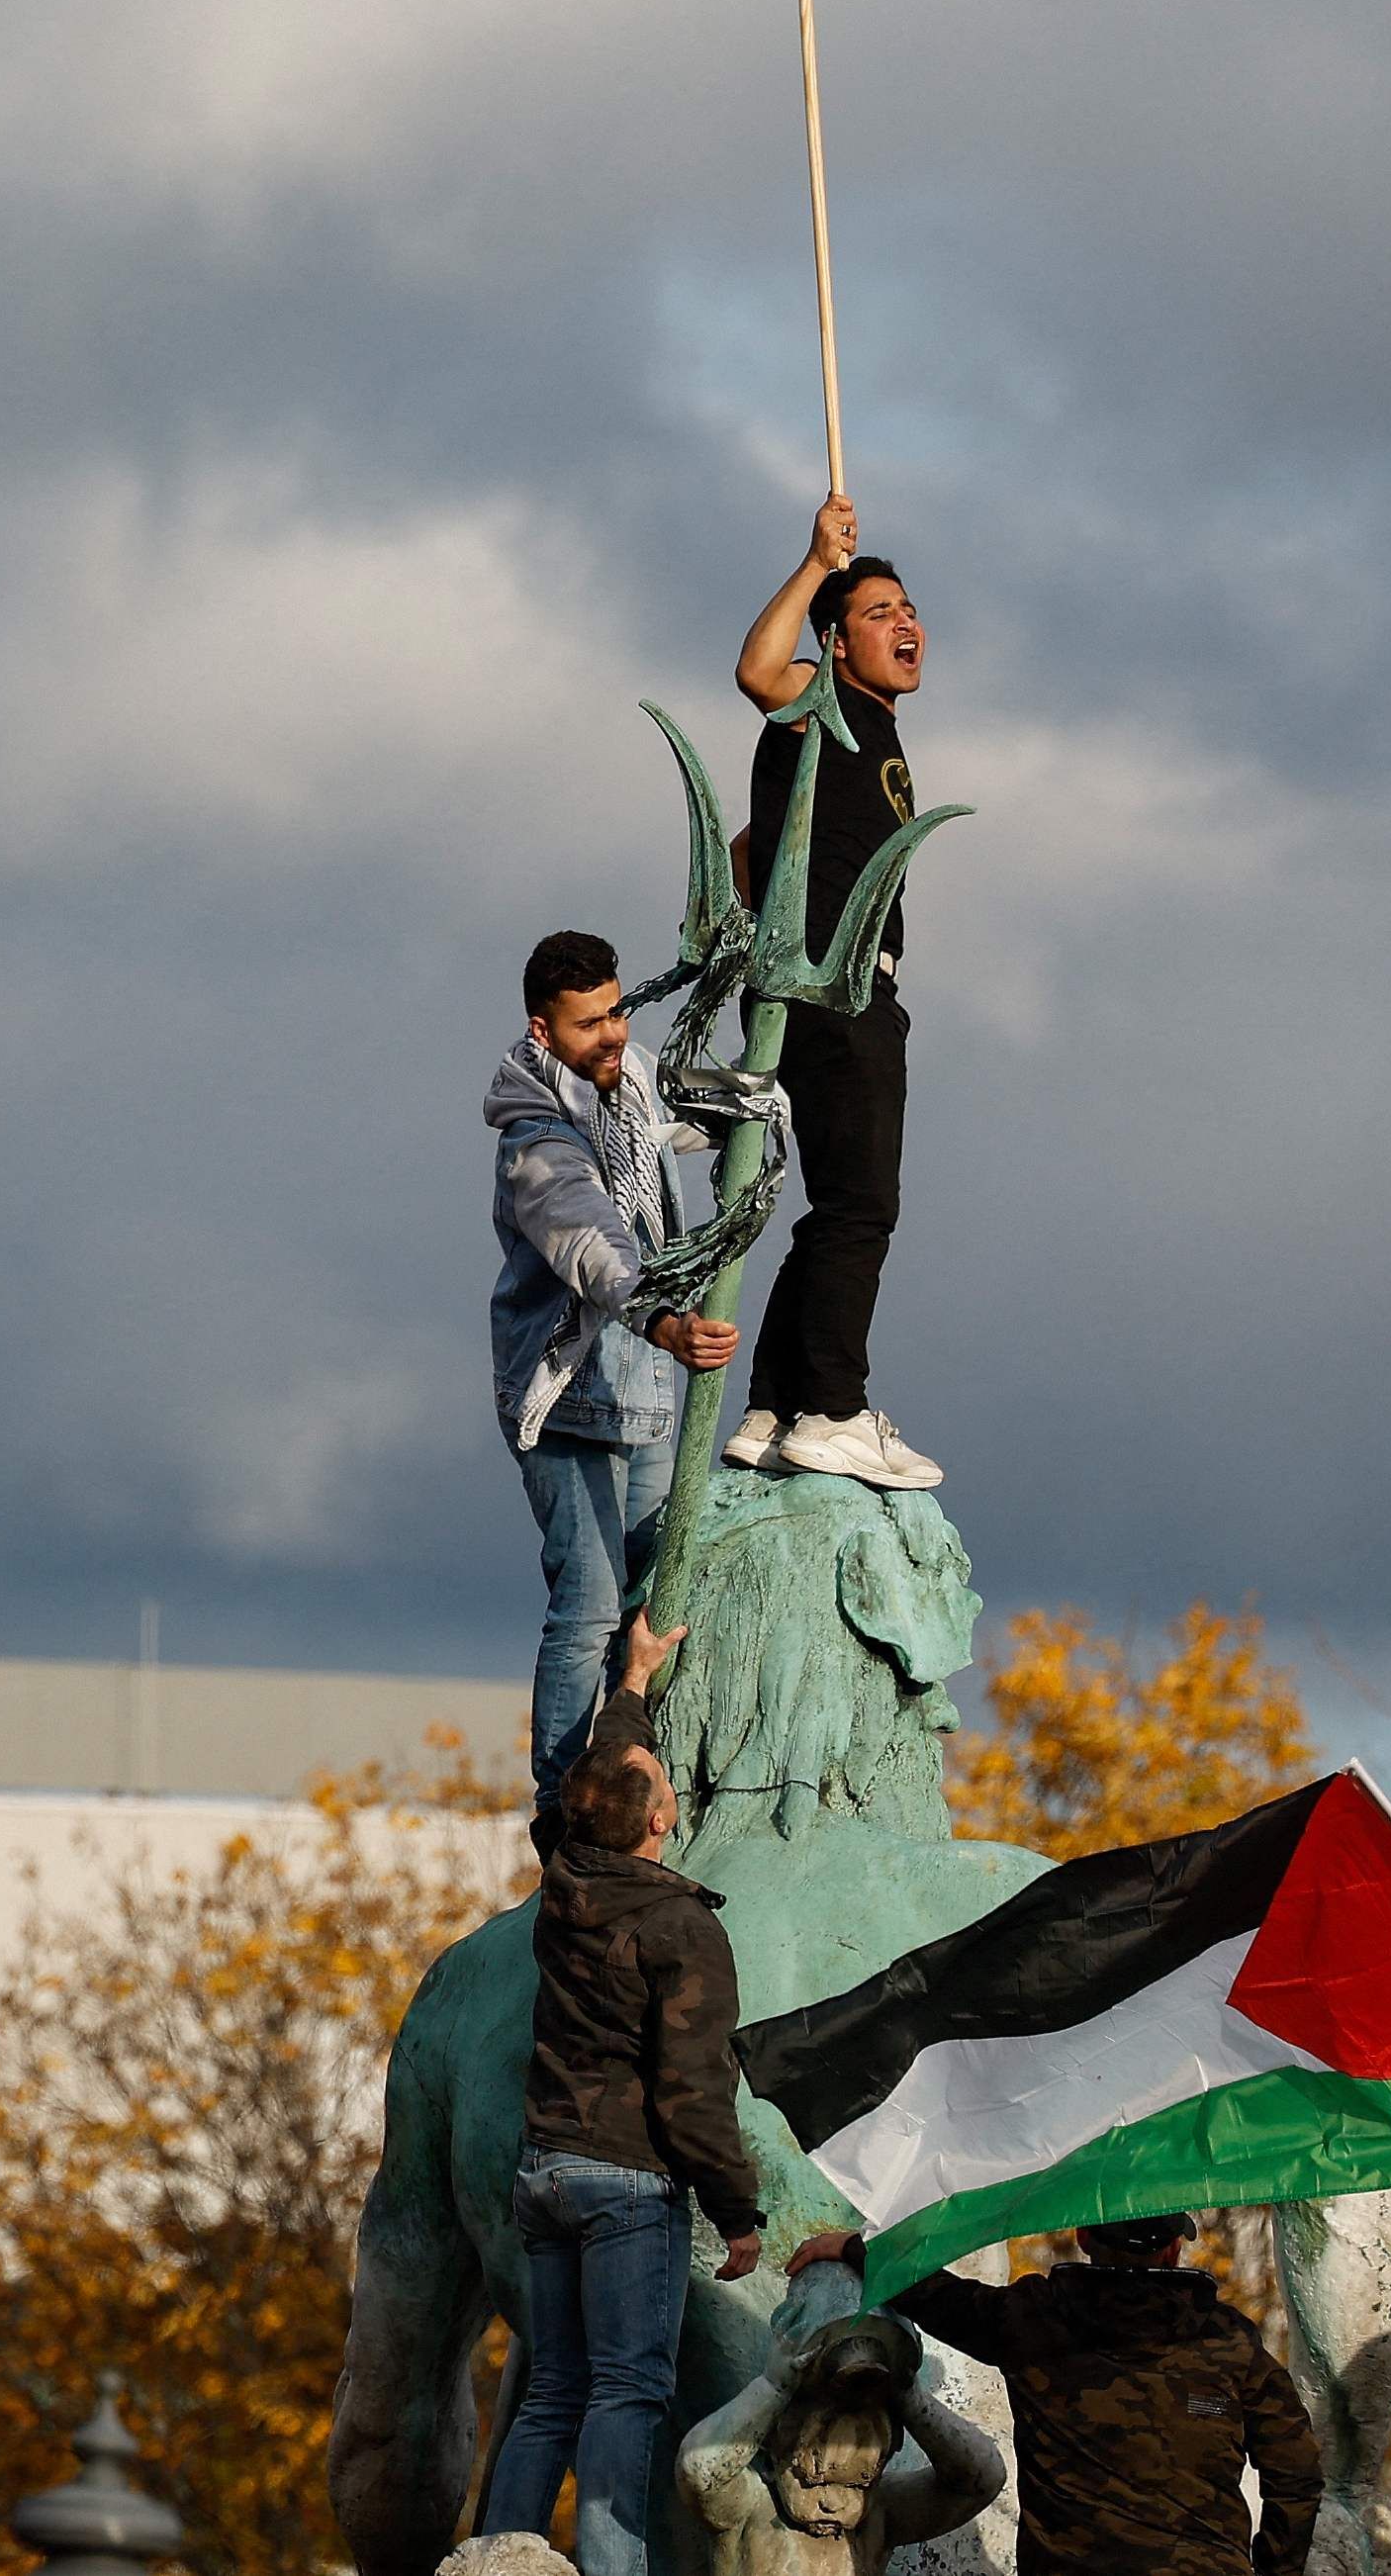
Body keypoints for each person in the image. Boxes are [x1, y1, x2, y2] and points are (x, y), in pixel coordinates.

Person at [480, 1620, 767, 2576]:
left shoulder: (566, 1870)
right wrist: (737, 2212)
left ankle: (500, 2555)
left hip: (541, 2171)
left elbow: (603, 1768)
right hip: (622, 2183)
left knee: (551, 2388)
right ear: (657, 1818)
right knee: (626, 2390)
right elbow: (691, 2088)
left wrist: (635, 1677)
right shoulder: (679, 1927)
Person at [491, 929, 746, 1786]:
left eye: (615, 1013)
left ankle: (632, 1780)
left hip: (646, 1396)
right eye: (585, 1024)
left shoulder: (625, 1083)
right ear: (540, 1032)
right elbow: (590, 1237)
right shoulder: (536, 1137)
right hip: (566, 1395)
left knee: (652, 1605)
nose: (610, 1035)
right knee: (590, 1610)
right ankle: (564, 1810)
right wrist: (663, 1316)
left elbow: (671, 1124)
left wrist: (749, 1103)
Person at [727, 492, 933, 1490]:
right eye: (878, 612)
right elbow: (757, 672)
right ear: (835, 644)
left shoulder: (871, 734)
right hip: (840, 989)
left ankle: (774, 1402)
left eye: (907, 609)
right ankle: (833, 1408)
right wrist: (815, 563)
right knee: (861, 1207)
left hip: (810, 984)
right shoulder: (821, 702)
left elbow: (742, 852)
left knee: (831, 1211)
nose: (904, 624)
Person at [836, 2214, 1318, 2576]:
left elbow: (932, 2294)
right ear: (1173, 2250)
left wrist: (857, 2251)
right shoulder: (1227, 2342)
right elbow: (1297, 2473)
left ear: (1084, 2237)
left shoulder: (1031, 2318)